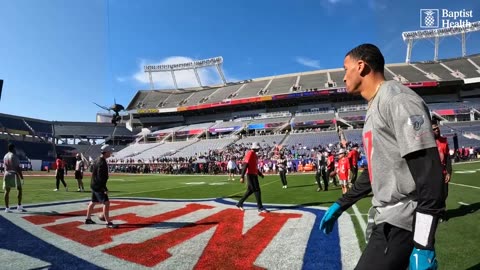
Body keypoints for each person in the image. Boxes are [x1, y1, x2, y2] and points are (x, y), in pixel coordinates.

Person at [319, 44, 445, 270]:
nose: (343, 77)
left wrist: (424, 244)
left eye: (345, 69)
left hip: (402, 220)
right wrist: (342, 203)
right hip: (387, 217)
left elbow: (430, 172)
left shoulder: (397, 100)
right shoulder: (374, 105)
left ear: (361, 66)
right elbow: (377, 170)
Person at [85, 145, 118, 228]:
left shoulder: (97, 160)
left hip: (94, 184)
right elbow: (100, 177)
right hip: (98, 185)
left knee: (93, 201)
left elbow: (93, 171)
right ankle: (108, 222)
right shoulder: (102, 162)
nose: (111, 153)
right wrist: (104, 188)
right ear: (106, 152)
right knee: (106, 202)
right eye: (110, 151)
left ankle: (88, 218)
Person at [236, 142, 269, 213]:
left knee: (250, 190)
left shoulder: (254, 155)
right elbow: (245, 165)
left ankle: (239, 203)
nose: (259, 149)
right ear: (255, 148)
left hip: (254, 174)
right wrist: (242, 176)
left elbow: (254, 167)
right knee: (257, 190)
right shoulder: (250, 154)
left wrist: (260, 174)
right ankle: (260, 207)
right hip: (250, 175)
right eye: (258, 148)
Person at [432, 123, 452, 222]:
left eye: (437, 128)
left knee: (444, 194)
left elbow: (448, 158)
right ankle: (436, 214)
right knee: (435, 195)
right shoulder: (428, 143)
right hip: (432, 174)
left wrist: (449, 172)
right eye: (434, 129)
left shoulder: (444, 140)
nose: (437, 130)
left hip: (443, 172)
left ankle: (441, 212)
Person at [3, 143, 25, 213]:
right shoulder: (13, 156)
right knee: (19, 189)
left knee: (7, 191)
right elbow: (17, 167)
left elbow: (4, 167)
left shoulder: (5, 156)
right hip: (13, 174)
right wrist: (21, 177)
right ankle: (19, 205)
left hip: (6, 173)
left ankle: (7, 208)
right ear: (13, 148)